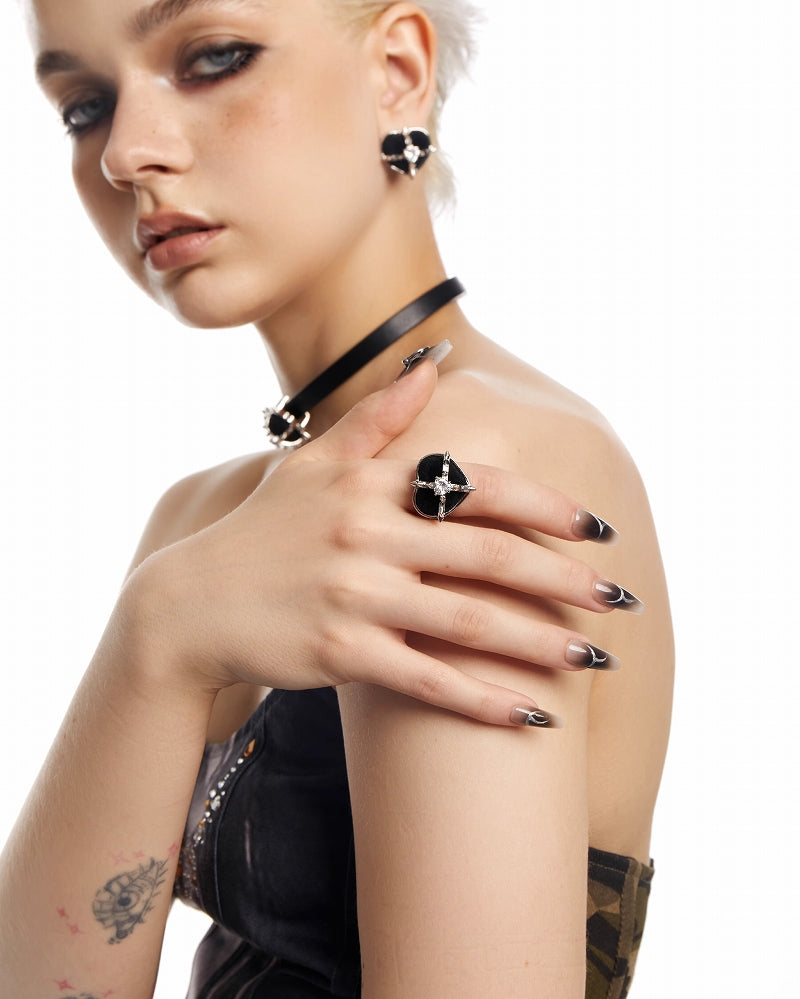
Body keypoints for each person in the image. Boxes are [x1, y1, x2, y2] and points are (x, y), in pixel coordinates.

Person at [0, 1, 673, 997]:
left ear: (396, 71)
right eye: (83, 106)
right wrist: (157, 630)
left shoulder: (465, 464)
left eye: (213, 58)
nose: (125, 154)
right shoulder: (204, 525)